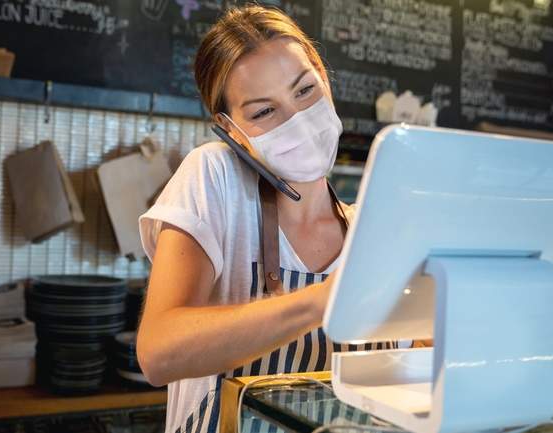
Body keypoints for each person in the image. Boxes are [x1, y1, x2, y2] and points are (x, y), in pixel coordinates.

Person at [137, 5, 408, 433]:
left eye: (304, 91)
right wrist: (322, 302)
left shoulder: (379, 231)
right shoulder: (216, 177)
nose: (297, 121)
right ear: (231, 128)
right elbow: (158, 353)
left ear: (322, 75)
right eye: (264, 112)